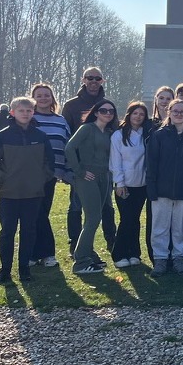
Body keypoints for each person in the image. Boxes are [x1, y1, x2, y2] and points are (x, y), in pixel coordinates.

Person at [0, 97, 54, 284]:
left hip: (33, 194)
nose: (25, 114)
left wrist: (40, 180)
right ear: (12, 112)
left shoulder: (40, 136)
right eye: (21, 110)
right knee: (7, 232)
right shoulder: (3, 136)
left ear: (33, 112)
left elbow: (49, 163)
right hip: (9, 194)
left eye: (29, 110)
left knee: (29, 231)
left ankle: (24, 269)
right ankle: (5, 270)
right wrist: (5, 181)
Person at [61, 67, 116, 256]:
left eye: (97, 78)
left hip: (103, 169)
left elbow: (114, 135)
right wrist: (74, 169)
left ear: (102, 81)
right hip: (82, 168)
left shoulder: (107, 105)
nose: (93, 81)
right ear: (83, 80)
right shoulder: (71, 105)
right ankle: (76, 245)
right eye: (90, 78)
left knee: (106, 207)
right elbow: (67, 139)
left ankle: (111, 241)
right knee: (76, 206)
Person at [147, 100, 183, 276]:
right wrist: (152, 188)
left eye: (182, 111)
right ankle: (160, 260)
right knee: (160, 227)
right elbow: (151, 164)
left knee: (181, 228)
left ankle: (179, 258)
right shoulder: (159, 136)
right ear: (169, 112)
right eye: (175, 111)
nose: (179, 114)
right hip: (161, 191)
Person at [65, 99, 118, 274]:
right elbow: (70, 148)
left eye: (111, 111)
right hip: (88, 177)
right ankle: (80, 261)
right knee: (93, 218)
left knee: (95, 217)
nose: (108, 114)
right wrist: (79, 171)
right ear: (96, 112)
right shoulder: (86, 129)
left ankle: (89, 255)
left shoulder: (110, 132)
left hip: (105, 177)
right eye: (103, 110)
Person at [30, 83, 72, 268]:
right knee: (34, 213)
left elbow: (67, 145)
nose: (43, 98)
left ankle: (39, 253)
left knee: (42, 211)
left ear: (52, 98)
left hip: (51, 174)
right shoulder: (29, 118)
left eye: (47, 95)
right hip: (29, 173)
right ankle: (40, 253)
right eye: (39, 95)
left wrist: (66, 170)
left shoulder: (60, 120)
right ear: (33, 98)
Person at [110, 102, 151, 268]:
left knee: (134, 220)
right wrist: (119, 183)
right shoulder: (118, 136)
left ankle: (134, 253)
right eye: (135, 113)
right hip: (124, 184)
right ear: (129, 115)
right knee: (126, 219)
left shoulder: (146, 134)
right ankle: (118, 253)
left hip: (141, 185)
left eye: (141, 114)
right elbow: (115, 161)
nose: (138, 117)